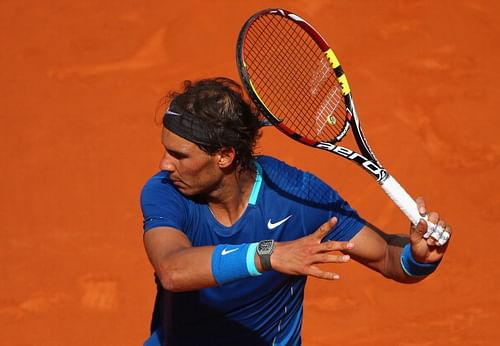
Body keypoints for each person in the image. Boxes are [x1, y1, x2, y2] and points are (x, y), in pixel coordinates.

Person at [140, 77, 451, 346]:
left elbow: (387, 257)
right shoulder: (165, 191)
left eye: (178, 155)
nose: (164, 165)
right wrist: (271, 254)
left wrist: (417, 257)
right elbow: (172, 270)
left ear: (224, 155)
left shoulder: (299, 196)